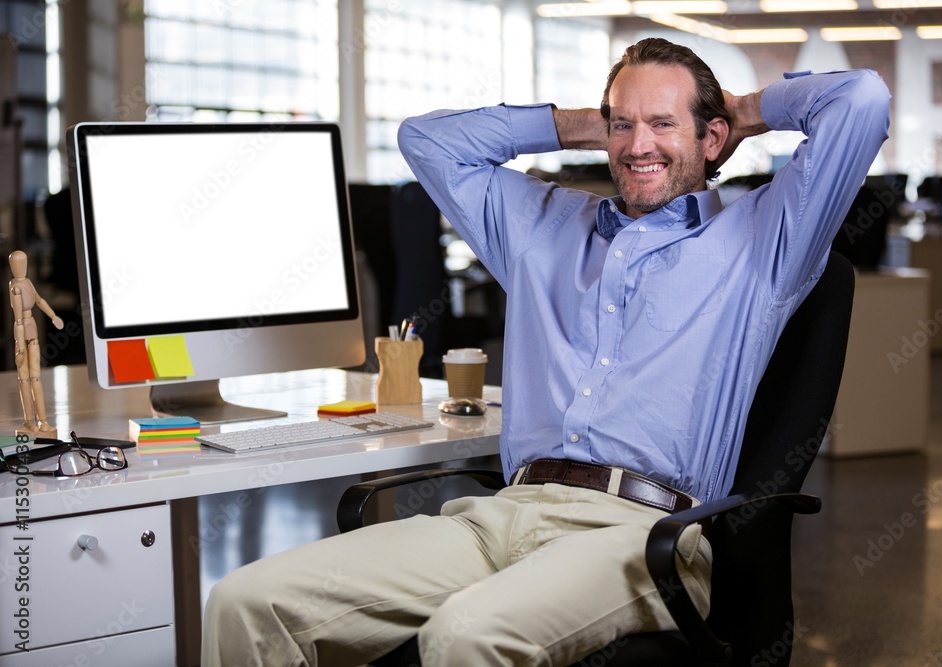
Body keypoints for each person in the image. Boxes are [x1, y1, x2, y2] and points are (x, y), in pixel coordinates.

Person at [202, 38, 889, 667]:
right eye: (623, 124)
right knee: (246, 603)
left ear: (711, 139)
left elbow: (860, 100)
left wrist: (745, 111)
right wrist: (581, 123)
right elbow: (426, 141)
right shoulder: (543, 226)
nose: (638, 145)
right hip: (501, 515)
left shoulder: (764, 240)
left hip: (640, 535)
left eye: (663, 124)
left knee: (466, 635)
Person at [9, 249, 64, 434]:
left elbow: (39, 300)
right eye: (19, 264)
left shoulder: (27, 282)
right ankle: (29, 420)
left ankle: (42, 421)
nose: (22, 267)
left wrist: (53, 316)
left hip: (31, 328)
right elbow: (18, 320)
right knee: (24, 379)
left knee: (36, 378)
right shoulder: (15, 287)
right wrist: (20, 347)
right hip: (21, 331)